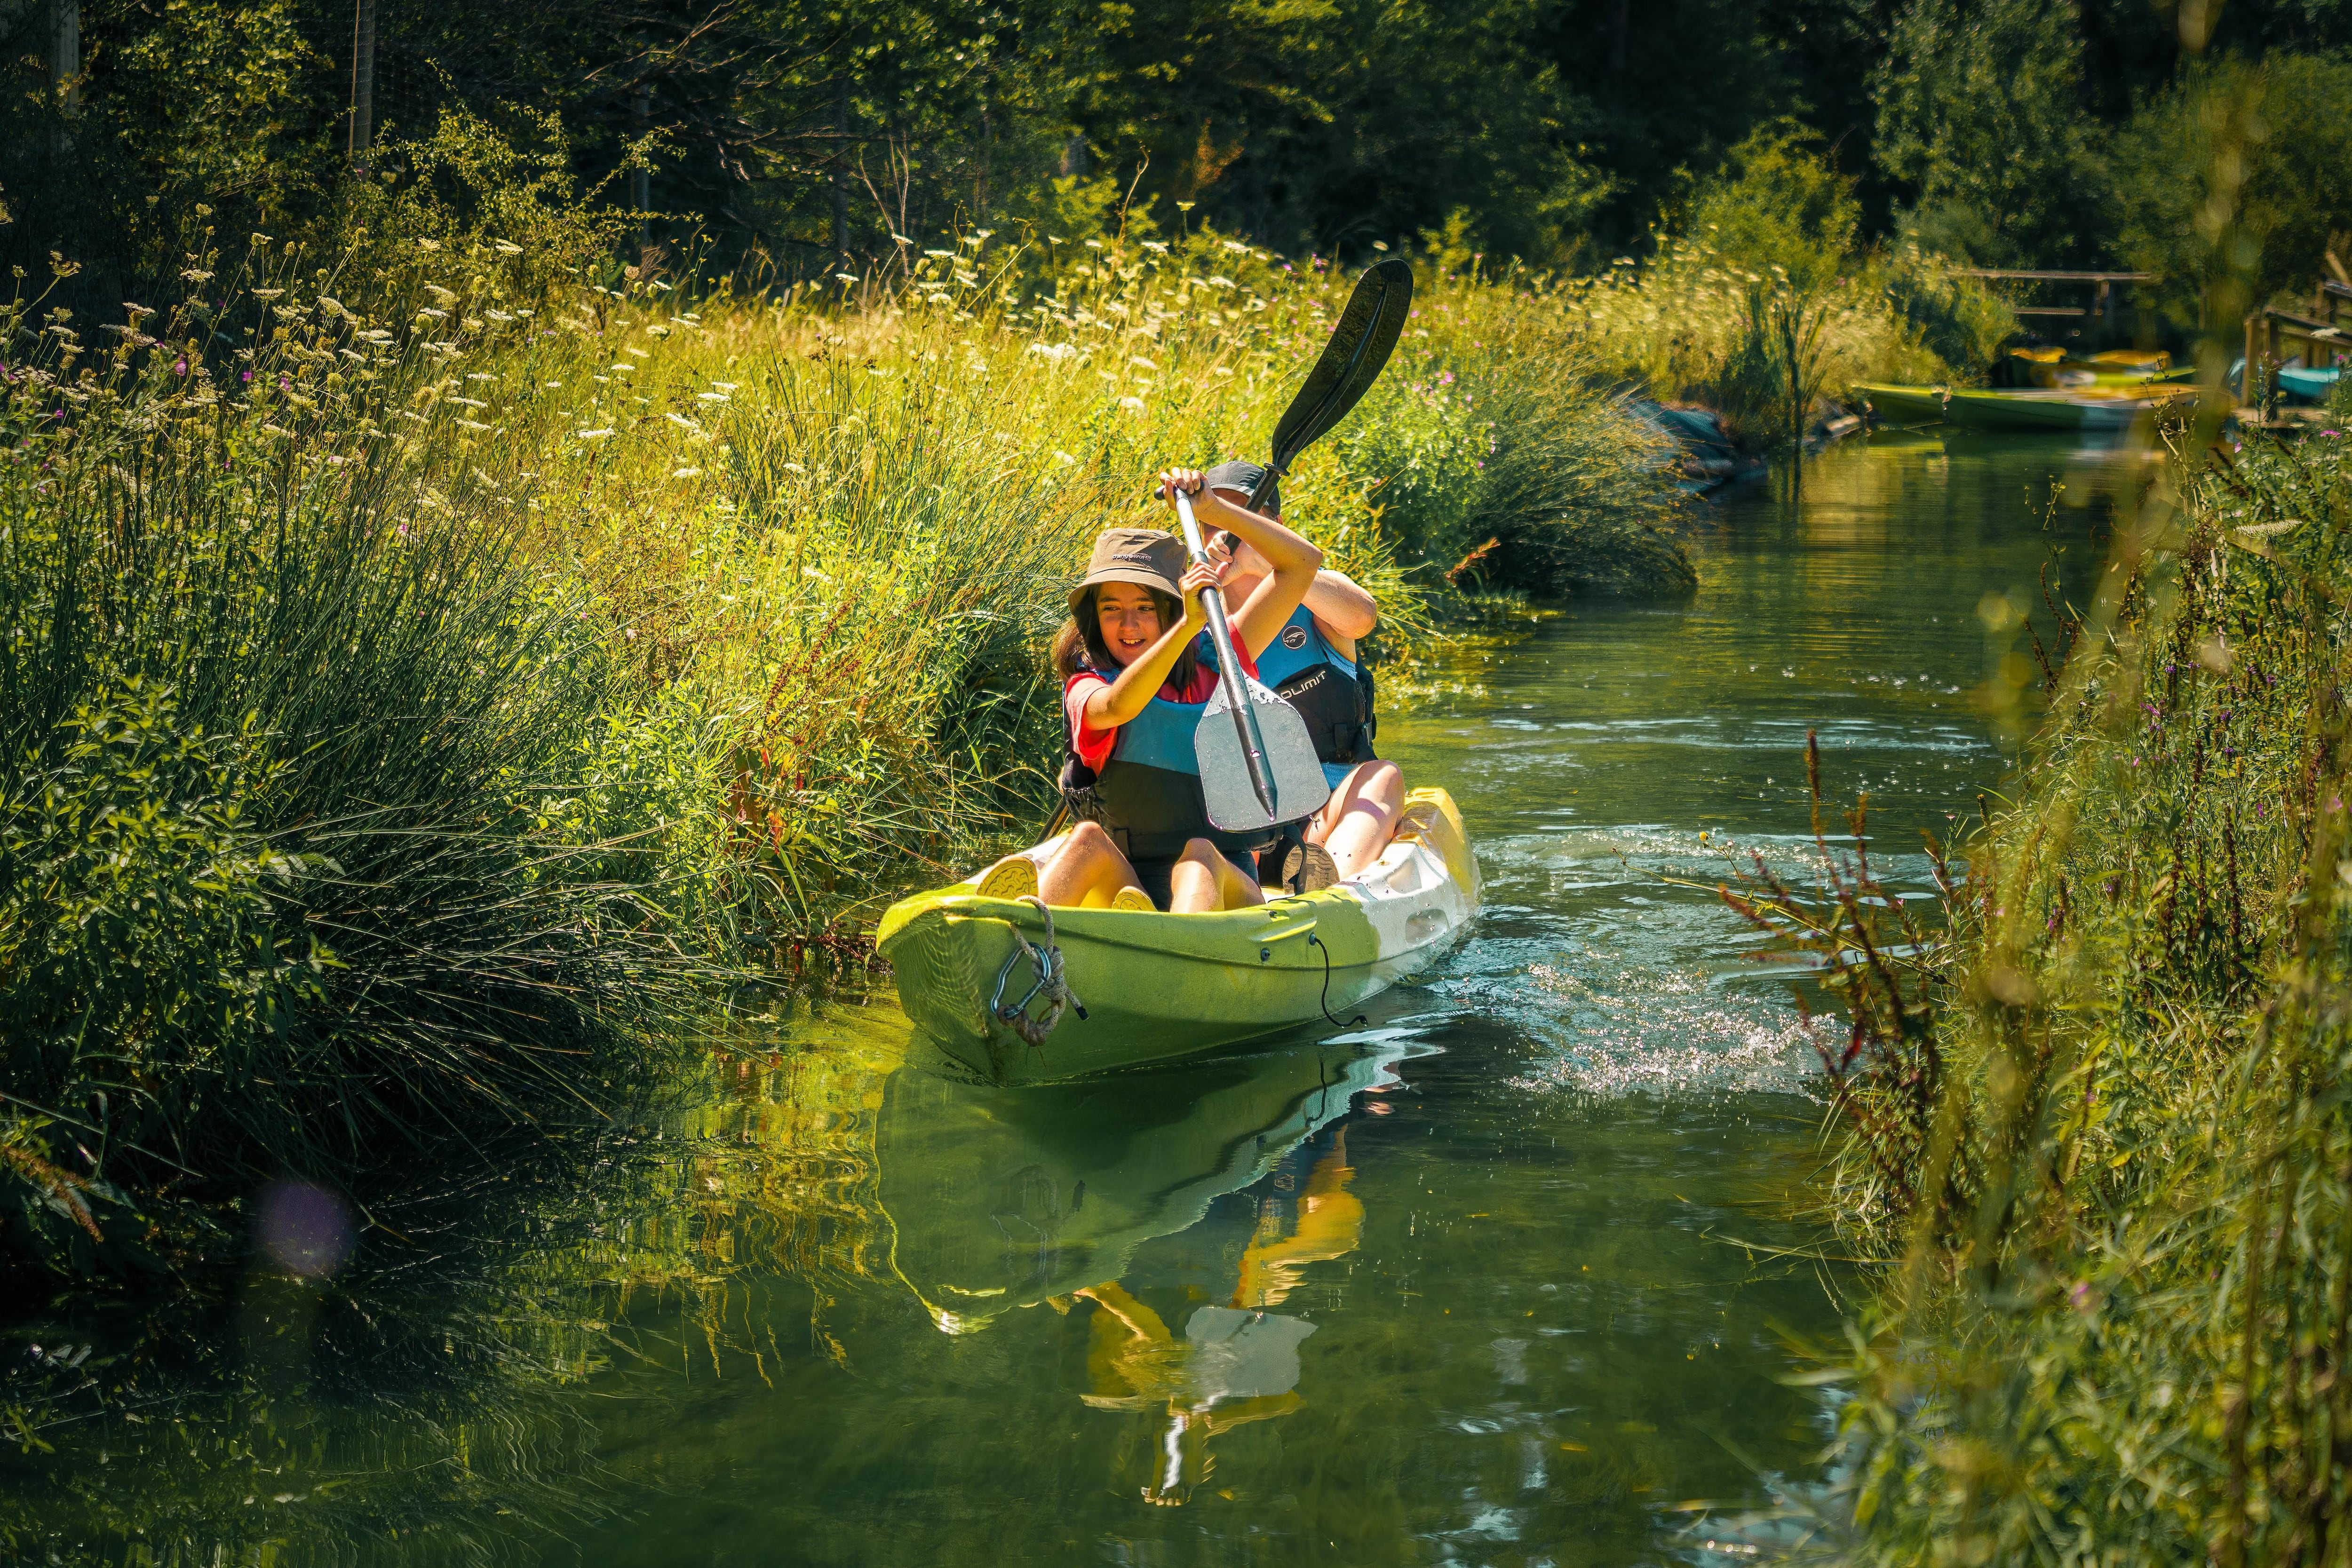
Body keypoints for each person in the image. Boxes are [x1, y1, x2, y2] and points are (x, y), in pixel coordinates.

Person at [976, 466, 1326, 913]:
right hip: (1128, 885)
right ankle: (1015, 932)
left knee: (1197, 857)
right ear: (1093, 620)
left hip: (1223, 888)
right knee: (1086, 838)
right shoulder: (1086, 687)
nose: (1128, 625)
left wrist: (1214, 510)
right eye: (1111, 609)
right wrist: (1184, 628)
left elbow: (1301, 565)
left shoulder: (1221, 656)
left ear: (1168, 608)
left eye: (1144, 607)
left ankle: (1175, 951)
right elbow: (1119, 707)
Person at [1199, 459, 1404, 889]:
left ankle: (1329, 885)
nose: (1230, 533)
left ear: (1277, 526)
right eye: (1216, 519)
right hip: (1241, 810)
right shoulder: (1189, 614)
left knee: (1384, 775)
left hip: (1327, 811)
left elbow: (1362, 618)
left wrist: (1270, 566)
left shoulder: (1317, 597)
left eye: (1248, 518)